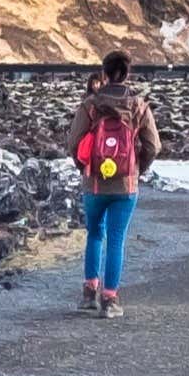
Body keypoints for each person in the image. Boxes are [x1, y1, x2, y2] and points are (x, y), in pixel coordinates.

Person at [61, 51, 161, 317]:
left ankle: (88, 294)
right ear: (128, 73)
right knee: (116, 240)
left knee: (95, 235)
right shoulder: (139, 105)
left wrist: (84, 167)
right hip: (125, 186)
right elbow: (154, 146)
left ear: (104, 74)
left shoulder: (91, 105)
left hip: (94, 184)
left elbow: (73, 142)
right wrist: (138, 167)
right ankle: (110, 300)